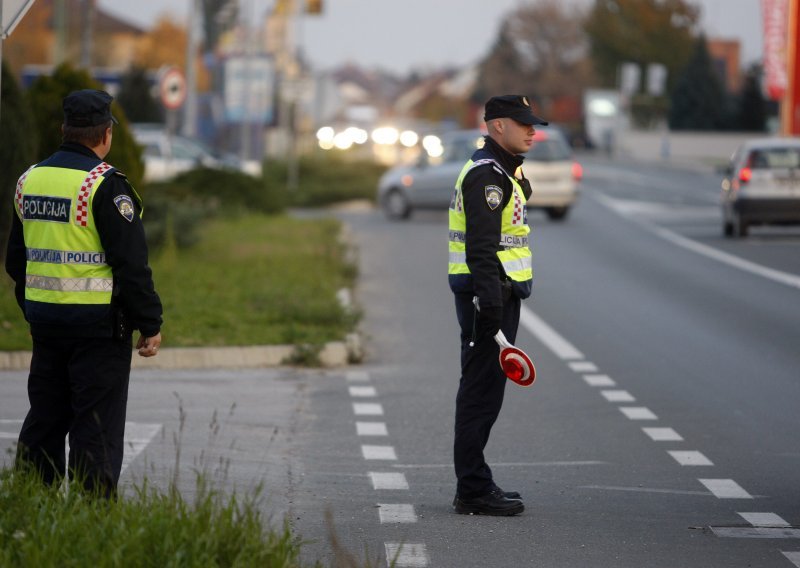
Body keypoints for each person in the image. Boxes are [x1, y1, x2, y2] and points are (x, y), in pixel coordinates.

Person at [5, 89, 163, 498]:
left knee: (45, 420)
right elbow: (131, 266)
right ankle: (92, 520)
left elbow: (15, 260)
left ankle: (28, 506)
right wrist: (149, 323)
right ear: (106, 134)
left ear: (64, 130)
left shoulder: (30, 180)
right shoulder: (105, 186)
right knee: (95, 427)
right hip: (98, 330)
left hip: (46, 324)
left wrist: (34, 306)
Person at [448, 95, 547, 515]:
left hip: (499, 294)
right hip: (487, 298)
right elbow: (482, 247)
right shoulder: (486, 177)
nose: (532, 130)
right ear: (496, 126)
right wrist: (489, 306)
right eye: (522, 123)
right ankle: (472, 489)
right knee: (479, 394)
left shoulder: (504, 171)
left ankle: (475, 483)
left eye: (533, 124)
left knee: (487, 393)